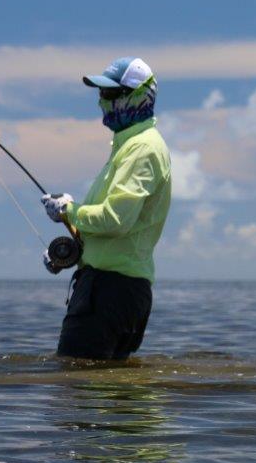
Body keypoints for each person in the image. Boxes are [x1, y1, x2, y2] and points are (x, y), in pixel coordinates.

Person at [41, 57, 172, 361]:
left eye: (111, 94)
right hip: (112, 288)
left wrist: (69, 210)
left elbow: (115, 220)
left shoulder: (142, 148)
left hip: (111, 291)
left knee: (76, 385)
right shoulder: (127, 147)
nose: (102, 102)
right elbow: (113, 230)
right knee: (104, 394)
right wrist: (72, 253)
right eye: (101, 94)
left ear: (140, 96)